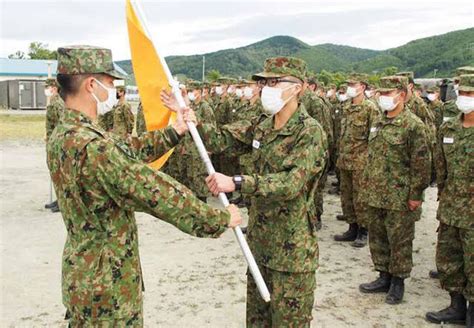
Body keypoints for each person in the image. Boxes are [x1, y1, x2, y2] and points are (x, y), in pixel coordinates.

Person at [48, 45, 242, 327]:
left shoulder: (65, 134)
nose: (114, 89)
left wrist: (174, 131)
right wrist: (219, 218)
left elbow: (125, 149)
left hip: (84, 274)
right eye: (110, 82)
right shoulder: (94, 146)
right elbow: (157, 192)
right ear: (92, 85)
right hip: (109, 286)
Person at [162, 56, 327, 327]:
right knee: (257, 321)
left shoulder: (309, 132)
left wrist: (237, 182)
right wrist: (192, 118)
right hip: (260, 244)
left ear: (298, 87)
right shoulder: (261, 125)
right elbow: (222, 140)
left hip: (291, 251)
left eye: (274, 82)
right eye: (264, 83)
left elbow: (291, 184)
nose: (265, 88)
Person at [358, 75, 431, 305]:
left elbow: (421, 164)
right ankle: (383, 275)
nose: (382, 98)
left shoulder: (413, 126)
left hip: (400, 197)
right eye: (381, 93)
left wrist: (415, 195)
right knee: (378, 238)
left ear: (401, 95)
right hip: (376, 193)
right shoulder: (378, 122)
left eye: (388, 93)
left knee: (399, 241)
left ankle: (398, 282)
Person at [425, 74, 474, 327]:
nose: (465, 99)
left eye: (471, 94)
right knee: (449, 258)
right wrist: (442, 195)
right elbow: (441, 167)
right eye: (463, 93)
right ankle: (456, 306)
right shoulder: (449, 127)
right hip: (451, 206)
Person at [334, 73, 380, 247]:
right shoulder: (346, 106)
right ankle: (352, 227)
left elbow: (374, 138)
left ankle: (363, 231)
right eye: (349, 84)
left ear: (362, 86)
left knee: (361, 198)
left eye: (354, 84)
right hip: (345, 160)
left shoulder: (370, 108)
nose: (350, 87)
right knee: (347, 197)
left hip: (361, 162)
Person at [44, 77, 65, 213]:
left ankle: (62, 202)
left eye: (48, 87)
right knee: (55, 172)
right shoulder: (53, 101)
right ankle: (59, 199)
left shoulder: (58, 103)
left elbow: (61, 122)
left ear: (54, 87)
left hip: (57, 141)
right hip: (52, 140)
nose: (47, 89)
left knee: (60, 173)